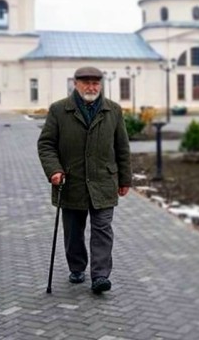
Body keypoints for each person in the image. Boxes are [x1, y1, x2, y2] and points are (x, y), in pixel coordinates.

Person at [37, 66, 131, 294]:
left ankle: (100, 276)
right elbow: (46, 144)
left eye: (95, 83)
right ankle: (77, 267)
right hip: (71, 181)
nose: (91, 87)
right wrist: (54, 170)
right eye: (86, 83)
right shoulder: (59, 110)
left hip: (103, 181)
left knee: (102, 229)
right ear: (75, 84)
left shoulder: (113, 110)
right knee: (73, 231)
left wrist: (125, 179)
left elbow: (122, 147)